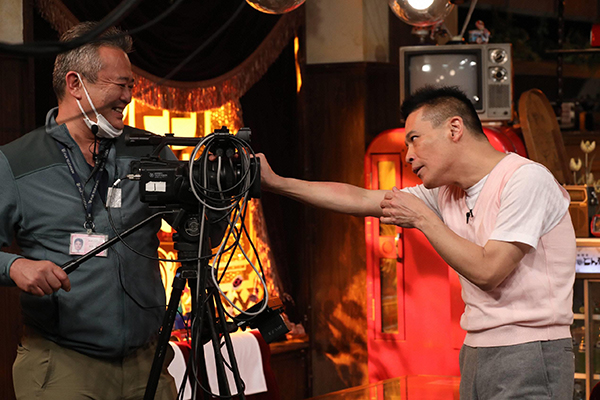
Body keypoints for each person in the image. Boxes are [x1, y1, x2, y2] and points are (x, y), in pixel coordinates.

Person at [258, 86, 576, 399]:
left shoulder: (525, 179)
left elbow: (489, 271)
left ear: (454, 128)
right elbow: (359, 198)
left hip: (530, 350)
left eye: (414, 139)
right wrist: (277, 183)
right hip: (475, 350)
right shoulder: (447, 191)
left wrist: (423, 219)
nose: (408, 155)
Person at [0, 22, 177, 399]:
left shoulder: (151, 151)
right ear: (75, 84)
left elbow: (201, 230)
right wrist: (14, 266)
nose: (128, 97)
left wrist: (216, 197)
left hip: (148, 364)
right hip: (63, 366)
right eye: (120, 85)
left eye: (131, 86)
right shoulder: (15, 162)